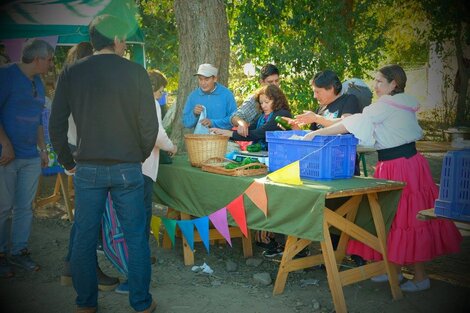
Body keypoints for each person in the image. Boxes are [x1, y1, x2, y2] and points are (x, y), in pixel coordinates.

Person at [300, 64, 462, 292]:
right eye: (375, 81)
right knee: (394, 219)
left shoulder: (386, 105)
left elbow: (349, 124)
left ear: (394, 84)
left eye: (380, 82)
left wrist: (315, 132)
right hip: (403, 164)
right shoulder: (401, 103)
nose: (375, 86)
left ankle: (419, 276)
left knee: (407, 219)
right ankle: (393, 269)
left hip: (400, 166)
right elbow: (361, 125)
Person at [49, 14, 158, 313]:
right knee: (136, 236)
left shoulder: (72, 73)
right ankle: (140, 303)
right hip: (126, 165)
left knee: (84, 236)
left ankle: (86, 303)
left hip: (88, 167)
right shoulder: (136, 72)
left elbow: (55, 124)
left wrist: (67, 160)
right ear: (118, 40)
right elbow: (150, 126)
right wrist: (139, 154)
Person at [59, 41, 120, 292]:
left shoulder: (71, 81)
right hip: (85, 154)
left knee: (85, 217)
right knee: (89, 219)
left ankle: (70, 267)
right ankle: (85, 269)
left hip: (77, 152)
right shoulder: (85, 84)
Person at [115, 69, 177, 294]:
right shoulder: (150, 104)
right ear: (152, 89)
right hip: (142, 169)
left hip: (124, 168)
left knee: (130, 223)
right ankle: (135, 280)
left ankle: (133, 269)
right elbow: (157, 135)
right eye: (160, 91)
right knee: (139, 225)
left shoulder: (125, 102)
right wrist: (172, 147)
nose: (161, 95)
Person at [0, 39, 53, 278]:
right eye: (49, 60)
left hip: (30, 154)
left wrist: (42, 149)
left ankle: (19, 251)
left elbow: (38, 119)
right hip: (6, 155)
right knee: (3, 207)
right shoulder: (7, 75)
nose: (51, 64)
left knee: (24, 207)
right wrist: (5, 143)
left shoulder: (38, 81)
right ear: (37, 59)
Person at [211, 84, 291, 149]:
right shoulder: (263, 116)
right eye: (261, 103)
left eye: (267, 102)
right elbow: (249, 130)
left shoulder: (282, 114)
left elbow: (257, 133)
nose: (263, 106)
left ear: (277, 100)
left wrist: (228, 133)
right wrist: (222, 132)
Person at [182, 63, 237, 131]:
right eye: (200, 79)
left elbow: (234, 119)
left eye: (206, 79)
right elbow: (186, 123)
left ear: (215, 79)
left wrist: (212, 122)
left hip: (222, 139)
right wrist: (194, 114)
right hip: (199, 139)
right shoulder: (193, 96)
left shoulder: (226, 94)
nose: (203, 83)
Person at [231, 63, 281, 137]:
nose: (274, 84)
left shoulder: (280, 98)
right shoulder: (255, 99)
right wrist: (241, 123)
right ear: (262, 82)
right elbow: (234, 117)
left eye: (276, 81)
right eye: (270, 82)